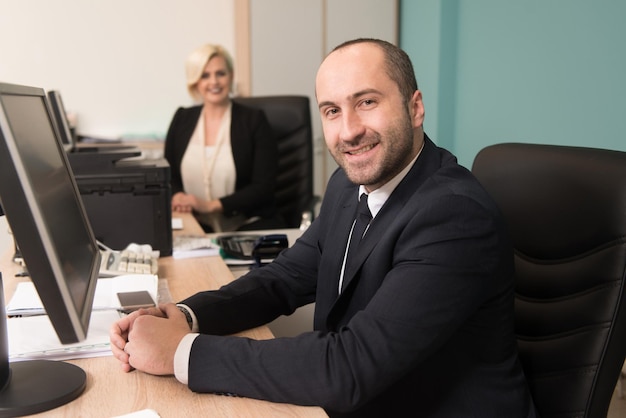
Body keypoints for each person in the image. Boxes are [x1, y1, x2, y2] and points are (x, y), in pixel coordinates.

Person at [111, 38, 537, 417]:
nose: (348, 130)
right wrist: (187, 315)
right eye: (332, 111)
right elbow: (285, 278)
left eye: (367, 102)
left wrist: (182, 352)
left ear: (415, 107)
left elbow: (350, 366)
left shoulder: (453, 216)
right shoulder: (348, 186)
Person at [163, 43, 283, 232]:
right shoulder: (182, 118)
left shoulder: (254, 120)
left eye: (220, 73)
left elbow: (264, 186)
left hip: (247, 225)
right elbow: (167, 172)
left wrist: (209, 205)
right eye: (205, 75)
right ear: (195, 82)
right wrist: (178, 195)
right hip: (195, 225)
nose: (214, 82)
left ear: (231, 75)